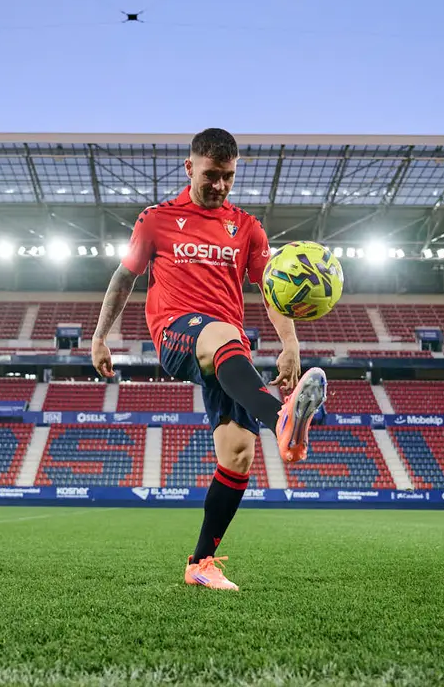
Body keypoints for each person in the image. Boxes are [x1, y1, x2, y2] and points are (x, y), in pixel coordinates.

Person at [91, 127, 327, 591]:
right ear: (190, 168)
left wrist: (291, 344)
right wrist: (101, 337)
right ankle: (282, 417)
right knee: (222, 333)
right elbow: (123, 279)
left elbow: (272, 289)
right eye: (211, 175)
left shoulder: (248, 228)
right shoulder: (156, 219)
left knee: (238, 456)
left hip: (229, 352)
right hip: (178, 334)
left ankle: (201, 562)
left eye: (228, 177)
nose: (219, 185)